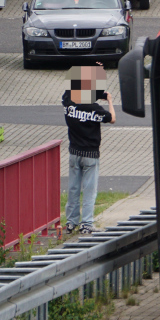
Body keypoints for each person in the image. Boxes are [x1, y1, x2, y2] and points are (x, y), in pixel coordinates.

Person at [62, 64, 114, 235]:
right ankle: (87, 224)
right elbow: (112, 118)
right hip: (91, 155)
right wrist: (110, 100)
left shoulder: (68, 102)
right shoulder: (95, 109)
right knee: (90, 191)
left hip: (74, 153)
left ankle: (70, 223)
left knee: (73, 188)